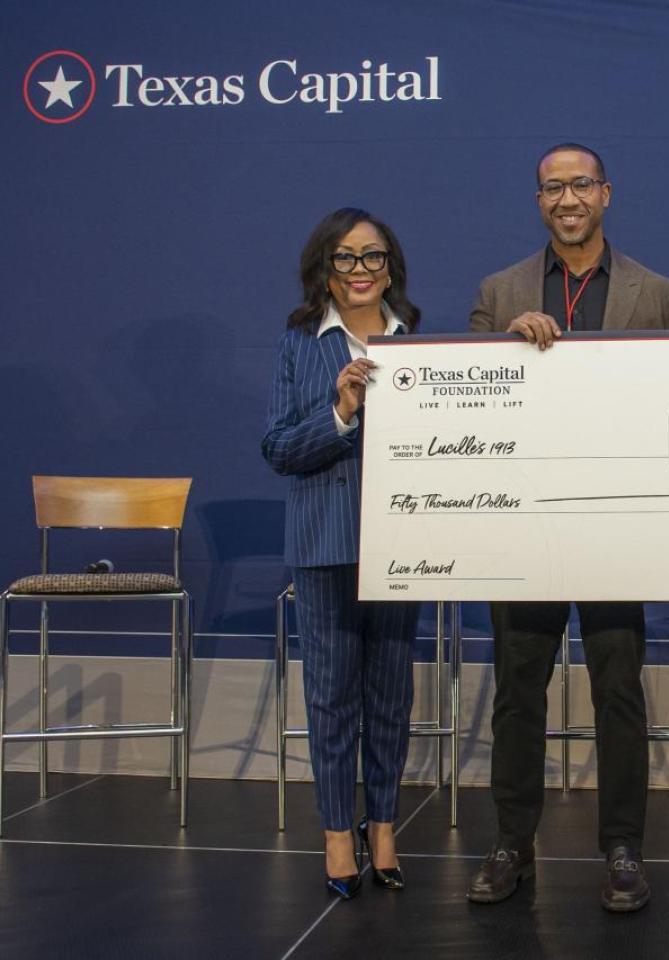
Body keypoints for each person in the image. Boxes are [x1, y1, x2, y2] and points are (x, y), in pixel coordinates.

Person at [466, 143, 669, 912]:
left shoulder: (656, 293)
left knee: (619, 692)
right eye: (552, 187)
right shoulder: (500, 292)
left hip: (615, 528)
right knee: (518, 695)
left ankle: (623, 848)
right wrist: (501, 349)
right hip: (523, 529)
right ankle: (510, 845)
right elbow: (469, 404)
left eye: (580, 185)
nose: (567, 198)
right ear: (538, 201)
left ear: (606, 194)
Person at [262, 208, 423, 900]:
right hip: (325, 545)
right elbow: (278, 449)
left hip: (405, 547)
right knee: (330, 698)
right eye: (346, 259)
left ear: (392, 266)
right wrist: (340, 416)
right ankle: (336, 833)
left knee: (389, 697)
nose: (361, 272)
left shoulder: (417, 343)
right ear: (324, 268)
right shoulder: (301, 342)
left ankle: (382, 826)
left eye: (373, 257)